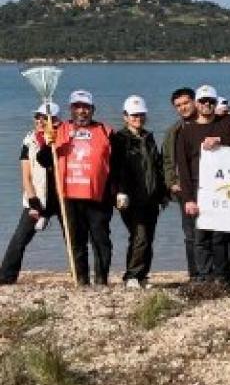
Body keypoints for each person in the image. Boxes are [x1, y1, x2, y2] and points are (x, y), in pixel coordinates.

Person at [176, 85, 230, 286]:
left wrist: (221, 139)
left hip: (225, 188)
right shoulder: (187, 130)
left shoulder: (227, 122)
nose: (207, 105)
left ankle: (222, 276)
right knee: (200, 237)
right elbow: (182, 167)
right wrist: (188, 199)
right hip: (198, 188)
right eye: (203, 101)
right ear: (196, 104)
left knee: (220, 236)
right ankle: (204, 276)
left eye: (211, 101)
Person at [53, 90, 115, 286]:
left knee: (101, 240)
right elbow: (44, 160)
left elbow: (118, 164)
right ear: (70, 109)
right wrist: (47, 144)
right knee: (76, 241)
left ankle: (101, 279)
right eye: (77, 107)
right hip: (69, 196)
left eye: (86, 107)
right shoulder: (58, 130)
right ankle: (81, 279)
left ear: (92, 109)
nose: (82, 111)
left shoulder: (106, 130)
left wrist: (118, 191)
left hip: (98, 196)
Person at [0, 104, 62, 285]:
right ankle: (6, 277)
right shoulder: (29, 141)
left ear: (55, 121)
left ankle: (81, 277)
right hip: (38, 198)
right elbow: (26, 175)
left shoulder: (64, 139)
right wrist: (32, 200)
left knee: (73, 240)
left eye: (44, 118)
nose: (40, 121)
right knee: (20, 239)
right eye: (37, 117)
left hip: (61, 200)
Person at [110, 96, 167, 288]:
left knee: (148, 238)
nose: (138, 118)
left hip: (150, 198)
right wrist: (119, 192)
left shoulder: (148, 137)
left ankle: (142, 276)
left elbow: (157, 166)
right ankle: (131, 276)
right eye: (134, 115)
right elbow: (115, 168)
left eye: (141, 115)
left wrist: (163, 193)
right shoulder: (119, 139)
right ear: (125, 116)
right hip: (129, 198)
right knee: (139, 236)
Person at [162, 87, 199, 282]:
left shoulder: (208, 123)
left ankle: (219, 273)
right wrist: (171, 182)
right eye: (178, 105)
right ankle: (195, 274)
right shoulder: (173, 131)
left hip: (208, 188)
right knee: (190, 233)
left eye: (186, 103)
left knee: (214, 233)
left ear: (194, 101)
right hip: (184, 191)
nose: (183, 108)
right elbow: (167, 160)